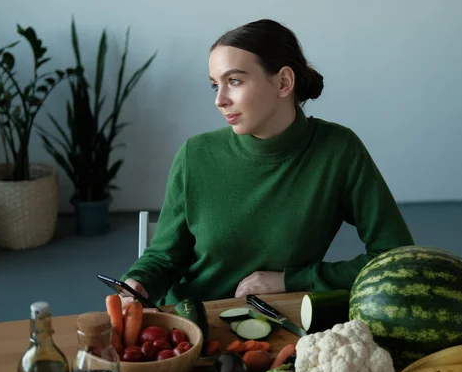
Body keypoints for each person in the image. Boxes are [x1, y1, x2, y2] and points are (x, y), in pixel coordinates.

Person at [119, 19, 416, 309]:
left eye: (234, 81)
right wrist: (138, 283)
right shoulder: (195, 154)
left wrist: (292, 280)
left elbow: (398, 258)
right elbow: (164, 257)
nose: (219, 100)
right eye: (215, 85)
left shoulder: (338, 150)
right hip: (192, 325)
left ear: (283, 82)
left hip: (280, 321)